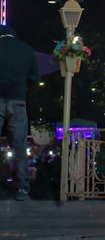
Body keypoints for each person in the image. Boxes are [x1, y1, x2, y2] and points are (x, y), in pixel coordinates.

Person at [0, 24, 40, 201]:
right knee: (19, 147)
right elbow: (35, 78)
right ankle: (22, 188)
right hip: (18, 102)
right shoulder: (27, 50)